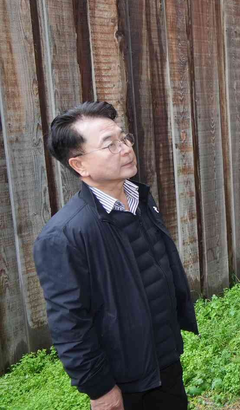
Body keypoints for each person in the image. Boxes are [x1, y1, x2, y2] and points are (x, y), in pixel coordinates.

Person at [33, 102, 198, 410]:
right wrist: (100, 389)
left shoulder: (140, 199)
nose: (125, 149)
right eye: (110, 145)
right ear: (80, 165)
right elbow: (70, 324)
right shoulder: (65, 235)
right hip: (124, 379)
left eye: (124, 138)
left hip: (164, 359)